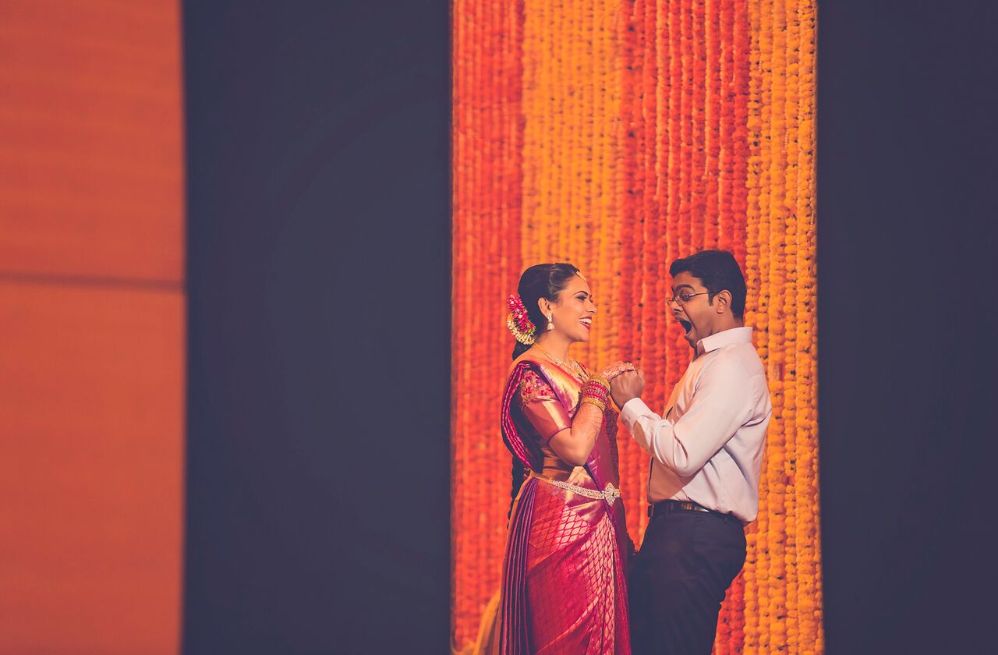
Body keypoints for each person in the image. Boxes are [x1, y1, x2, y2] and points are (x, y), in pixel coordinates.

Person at [610, 250, 772, 655]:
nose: (673, 307)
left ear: (722, 301)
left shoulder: (732, 365)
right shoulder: (710, 361)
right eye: (672, 297)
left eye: (685, 296)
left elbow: (683, 452)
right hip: (680, 534)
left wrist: (631, 404)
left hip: (694, 535)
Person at [491, 262, 635, 655]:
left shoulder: (577, 371)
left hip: (600, 522)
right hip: (563, 522)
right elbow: (574, 449)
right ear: (547, 306)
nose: (592, 308)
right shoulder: (532, 374)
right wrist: (599, 387)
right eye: (581, 298)